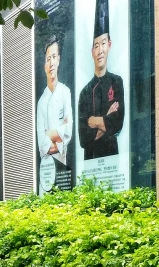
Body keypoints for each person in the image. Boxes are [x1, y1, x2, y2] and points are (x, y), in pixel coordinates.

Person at [78, 0, 124, 160]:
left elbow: (118, 123)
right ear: (92, 51)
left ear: (109, 45)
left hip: (113, 159)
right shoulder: (84, 92)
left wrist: (94, 120)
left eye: (103, 43)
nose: (100, 50)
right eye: (96, 46)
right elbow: (83, 139)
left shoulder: (116, 82)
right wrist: (106, 119)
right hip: (90, 160)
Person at [36, 35, 73, 167]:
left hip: (64, 163)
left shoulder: (65, 92)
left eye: (54, 57)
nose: (51, 63)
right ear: (44, 65)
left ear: (58, 59)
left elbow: (68, 131)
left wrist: (49, 134)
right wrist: (59, 136)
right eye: (48, 59)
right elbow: (41, 144)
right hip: (46, 167)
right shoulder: (41, 103)